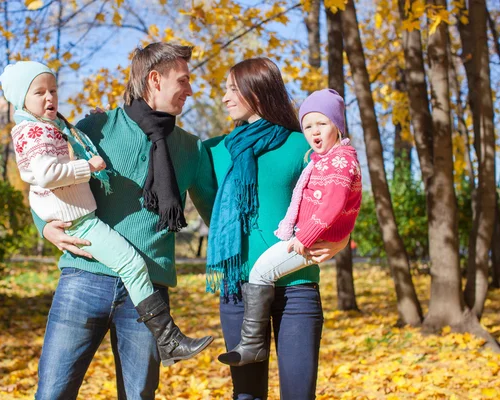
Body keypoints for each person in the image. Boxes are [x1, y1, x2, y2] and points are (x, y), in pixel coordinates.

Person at [21, 44, 218, 400]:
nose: (190, 90)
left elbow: (219, 216)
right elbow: (47, 180)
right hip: (83, 276)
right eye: (184, 80)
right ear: (154, 80)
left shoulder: (191, 148)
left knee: (139, 396)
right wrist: (44, 226)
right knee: (52, 393)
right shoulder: (94, 128)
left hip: (149, 291)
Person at [204, 59, 349, 399]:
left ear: (258, 90)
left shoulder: (303, 144)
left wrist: (342, 239)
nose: (224, 97)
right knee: (247, 394)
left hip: (296, 288)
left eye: (232, 88)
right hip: (238, 288)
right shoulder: (214, 150)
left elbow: (339, 192)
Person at [218, 88, 362, 367]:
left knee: (260, 271)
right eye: (308, 125)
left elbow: (332, 204)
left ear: (338, 126)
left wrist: (304, 236)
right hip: (310, 236)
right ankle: (253, 344)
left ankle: (252, 344)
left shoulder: (340, 161)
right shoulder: (323, 160)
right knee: (262, 271)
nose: (314, 131)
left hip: (311, 239)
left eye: (322, 123)